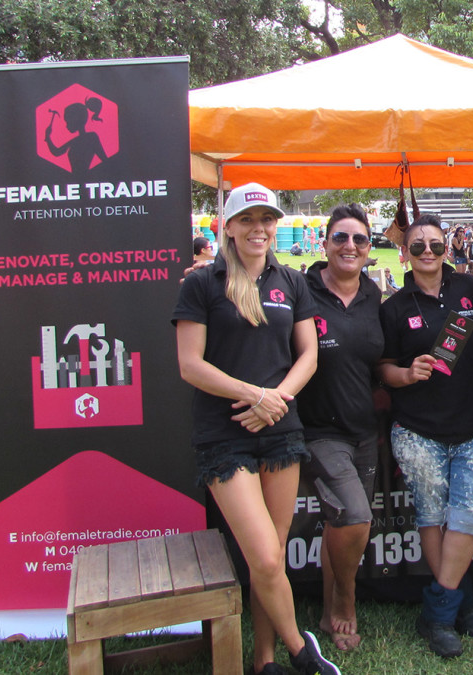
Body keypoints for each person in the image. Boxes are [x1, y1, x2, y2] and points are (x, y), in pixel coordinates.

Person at [172, 182, 340, 675]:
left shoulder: (291, 281)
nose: (259, 228)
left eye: (266, 219)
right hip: (225, 436)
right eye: (247, 219)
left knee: (273, 555)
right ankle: (303, 655)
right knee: (264, 557)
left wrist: (276, 400)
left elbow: (308, 355)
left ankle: (264, 660)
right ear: (227, 226)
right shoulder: (201, 284)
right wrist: (254, 396)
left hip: (281, 429)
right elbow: (189, 365)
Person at [377, 214, 473, 659]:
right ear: (405, 252)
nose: (428, 252)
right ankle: (460, 604)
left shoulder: (471, 290)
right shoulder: (394, 306)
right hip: (417, 429)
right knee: (432, 516)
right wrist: (407, 374)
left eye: (436, 245)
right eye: (418, 246)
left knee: (469, 517)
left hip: (471, 426)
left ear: (448, 247)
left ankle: (438, 612)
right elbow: (382, 369)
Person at [296, 204, 384, 653]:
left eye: (360, 240)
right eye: (341, 238)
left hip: (363, 431)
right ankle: (345, 604)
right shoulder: (302, 289)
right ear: (325, 243)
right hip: (316, 430)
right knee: (355, 515)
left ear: (370, 248)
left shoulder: (373, 296)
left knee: (340, 520)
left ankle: (328, 609)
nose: (350, 246)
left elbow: (380, 362)